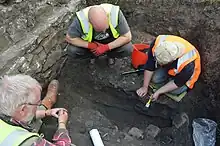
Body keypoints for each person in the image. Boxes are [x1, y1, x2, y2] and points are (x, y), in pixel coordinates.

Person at [0, 74, 71, 146]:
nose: (39, 104)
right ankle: (47, 102)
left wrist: (46, 113)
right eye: (37, 103)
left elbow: (17, 117)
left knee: (30, 112)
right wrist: (62, 125)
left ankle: (47, 103)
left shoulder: (6, 110)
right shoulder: (30, 143)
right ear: (23, 109)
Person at [135, 35, 201, 101]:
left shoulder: (188, 65)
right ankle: (168, 80)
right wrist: (145, 87)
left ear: (172, 60)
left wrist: (158, 92)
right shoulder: (158, 43)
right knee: (155, 79)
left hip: (186, 78)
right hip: (171, 68)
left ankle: (169, 83)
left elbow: (177, 83)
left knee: (174, 91)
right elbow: (150, 65)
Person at [65, 3, 133, 65]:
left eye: (105, 28)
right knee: (72, 50)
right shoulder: (81, 19)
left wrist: (106, 47)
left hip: (110, 40)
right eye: (100, 30)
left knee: (128, 48)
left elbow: (127, 37)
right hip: (92, 42)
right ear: (90, 23)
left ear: (107, 16)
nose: (104, 31)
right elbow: (69, 38)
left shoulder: (115, 13)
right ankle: (93, 56)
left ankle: (111, 55)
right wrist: (91, 46)